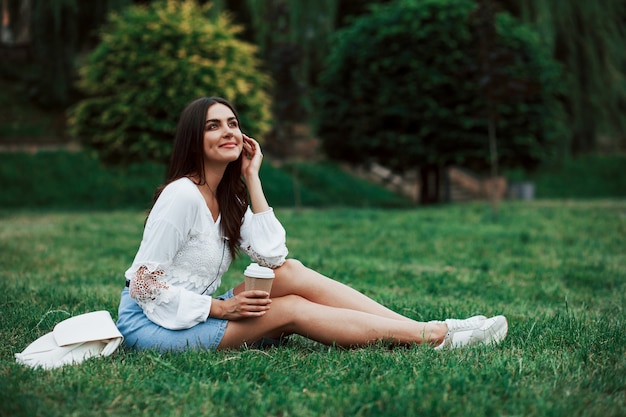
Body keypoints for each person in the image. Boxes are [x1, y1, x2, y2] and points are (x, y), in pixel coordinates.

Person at [116, 96, 508, 352]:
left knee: (291, 273)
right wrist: (223, 309)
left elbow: (273, 257)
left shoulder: (228, 195)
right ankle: (436, 336)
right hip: (153, 324)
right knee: (290, 309)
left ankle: (425, 329)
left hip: (197, 309)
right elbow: (143, 283)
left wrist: (252, 178)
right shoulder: (181, 196)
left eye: (233, 123)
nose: (228, 132)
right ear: (193, 139)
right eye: (213, 126)